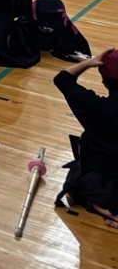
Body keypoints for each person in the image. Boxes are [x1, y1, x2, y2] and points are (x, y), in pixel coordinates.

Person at [54, 49, 118, 226]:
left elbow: (62, 79)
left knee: (78, 182)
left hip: (104, 182)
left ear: (104, 80)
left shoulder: (97, 108)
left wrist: (89, 63)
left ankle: (103, 207)